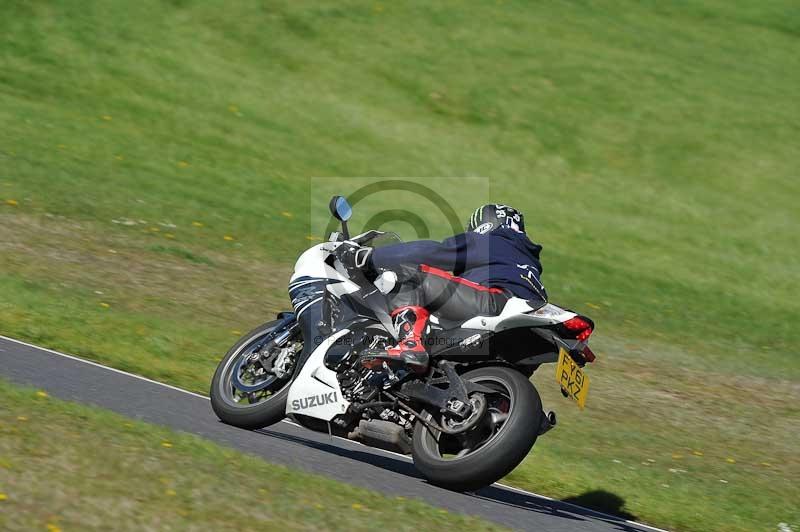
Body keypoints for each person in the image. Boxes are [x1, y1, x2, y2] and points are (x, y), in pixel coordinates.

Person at [340, 204, 548, 374]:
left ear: (483, 225)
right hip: (520, 342)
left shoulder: (491, 242)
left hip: (492, 303)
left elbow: (432, 252)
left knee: (409, 273)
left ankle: (410, 342)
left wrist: (370, 257)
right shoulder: (527, 265)